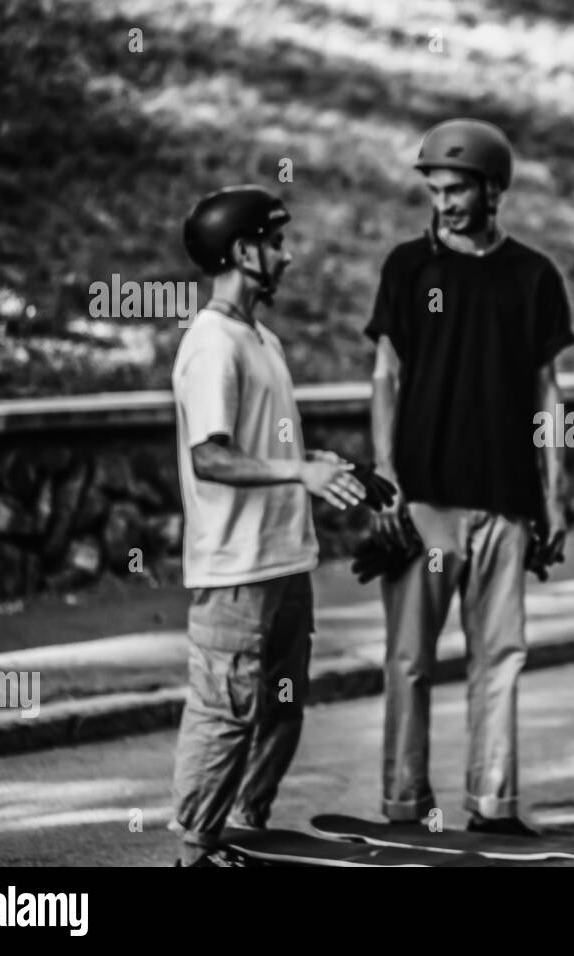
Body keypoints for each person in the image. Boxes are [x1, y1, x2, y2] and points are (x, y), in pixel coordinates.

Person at [362, 119, 574, 835]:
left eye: (457, 189)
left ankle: (492, 804)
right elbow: (385, 378)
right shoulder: (406, 269)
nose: (444, 201)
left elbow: (548, 390)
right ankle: (403, 806)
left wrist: (554, 494)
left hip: (507, 501)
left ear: (493, 189)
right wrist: (385, 479)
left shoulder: (533, 277)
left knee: (501, 660)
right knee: (409, 662)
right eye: (435, 189)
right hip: (421, 499)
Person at [170, 185, 394, 866]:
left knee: (279, 711)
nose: (287, 256)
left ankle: (245, 832)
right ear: (242, 251)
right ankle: (195, 850)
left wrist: (323, 464)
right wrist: (300, 476)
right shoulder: (212, 344)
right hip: (235, 569)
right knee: (225, 714)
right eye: (275, 241)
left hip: (283, 561)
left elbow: (256, 445)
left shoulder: (258, 337)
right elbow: (209, 457)